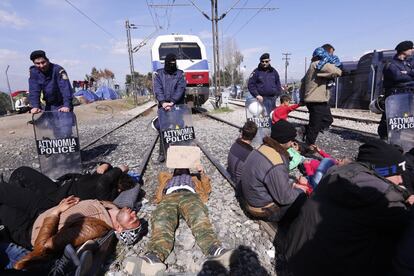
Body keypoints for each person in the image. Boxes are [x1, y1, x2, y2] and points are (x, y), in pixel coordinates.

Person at [278, 139, 413, 276]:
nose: (401, 180)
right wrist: (404, 197)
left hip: (294, 256)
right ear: (382, 172)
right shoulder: (384, 195)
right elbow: (406, 226)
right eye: (397, 174)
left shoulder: (335, 171)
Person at [123, 147, 234, 275]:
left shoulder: (194, 177)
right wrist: (177, 158)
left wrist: (201, 172)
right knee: (161, 221)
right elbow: (161, 174)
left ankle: (215, 250)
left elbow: (207, 188)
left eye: (184, 167)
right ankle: (153, 258)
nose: (181, 168)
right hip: (169, 197)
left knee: (199, 217)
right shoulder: (166, 176)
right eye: (178, 167)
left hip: (190, 196)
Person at [0, 181, 143, 253]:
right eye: (135, 216)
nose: (134, 214)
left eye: (132, 220)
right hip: (44, 208)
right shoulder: (112, 208)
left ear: (118, 228)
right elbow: (134, 188)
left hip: (30, 228)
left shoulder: (93, 229)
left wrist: (56, 212)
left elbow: (43, 246)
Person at [241, 120, 309, 224]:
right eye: (291, 140)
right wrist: (301, 191)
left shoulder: (262, 147)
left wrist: (293, 185)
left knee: (292, 182)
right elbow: (284, 199)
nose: (292, 143)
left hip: (252, 198)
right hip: (262, 210)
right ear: (286, 140)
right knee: (302, 197)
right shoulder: (277, 163)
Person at [8, 163, 134, 203]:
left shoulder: (107, 193)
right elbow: (102, 171)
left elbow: (103, 181)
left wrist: (120, 169)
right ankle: (13, 196)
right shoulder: (107, 181)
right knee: (22, 178)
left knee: (21, 173)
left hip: (57, 195)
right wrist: (107, 165)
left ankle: (12, 198)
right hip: (60, 186)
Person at [300, 45, 342, 145]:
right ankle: (307, 147)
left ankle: (306, 130)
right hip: (315, 100)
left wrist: (302, 98)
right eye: (331, 53)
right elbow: (336, 71)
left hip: (320, 100)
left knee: (327, 120)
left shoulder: (315, 65)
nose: (332, 56)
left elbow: (303, 82)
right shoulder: (318, 64)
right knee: (315, 125)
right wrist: (337, 67)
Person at [28, 50, 74, 138]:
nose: (41, 65)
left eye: (43, 62)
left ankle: (70, 150)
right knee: (55, 129)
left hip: (62, 104)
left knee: (65, 129)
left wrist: (67, 105)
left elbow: (65, 88)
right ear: (34, 63)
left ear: (47, 60)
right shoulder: (33, 72)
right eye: (37, 63)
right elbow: (34, 89)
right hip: (50, 105)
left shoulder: (58, 70)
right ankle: (59, 150)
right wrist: (35, 106)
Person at [153, 53, 187, 163]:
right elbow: (158, 89)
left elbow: (180, 89)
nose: (172, 65)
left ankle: (180, 152)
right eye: (170, 63)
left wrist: (172, 102)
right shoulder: (159, 74)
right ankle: (163, 153)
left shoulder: (180, 74)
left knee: (178, 128)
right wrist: (163, 103)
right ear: (166, 63)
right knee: (164, 130)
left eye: (174, 62)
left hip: (176, 105)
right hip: (163, 107)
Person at [378, 40, 414, 139]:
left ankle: (397, 138)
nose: (412, 50)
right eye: (410, 48)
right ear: (403, 50)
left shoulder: (408, 63)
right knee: (390, 116)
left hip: (407, 94)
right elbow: (397, 77)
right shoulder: (391, 64)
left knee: (403, 117)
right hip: (394, 94)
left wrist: (406, 73)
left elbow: (406, 76)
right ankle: (384, 136)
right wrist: (408, 74)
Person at [227, 121, 257, 191]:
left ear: (242, 132)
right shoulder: (250, 154)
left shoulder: (235, 144)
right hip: (240, 185)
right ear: (254, 136)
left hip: (232, 175)